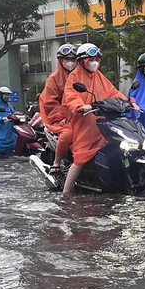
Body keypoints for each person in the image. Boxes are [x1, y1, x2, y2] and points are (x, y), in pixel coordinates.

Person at [58, 43, 128, 194]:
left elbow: (112, 92)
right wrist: (80, 106)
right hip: (84, 122)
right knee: (80, 158)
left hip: (103, 120)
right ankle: (66, 192)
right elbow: (71, 96)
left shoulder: (99, 76)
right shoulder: (75, 76)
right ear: (82, 61)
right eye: (90, 60)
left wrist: (127, 102)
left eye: (96, 59)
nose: (93, 62)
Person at [39, 43, 79, 172]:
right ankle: (56, 163)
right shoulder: (53, 79)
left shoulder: (82, 76)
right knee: (68, 134)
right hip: (61, 118)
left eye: (73, 60)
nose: (70, 63)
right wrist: (61, 117)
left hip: (81, 115)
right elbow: (50, 103)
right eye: (67, 60)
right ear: (61, 60)